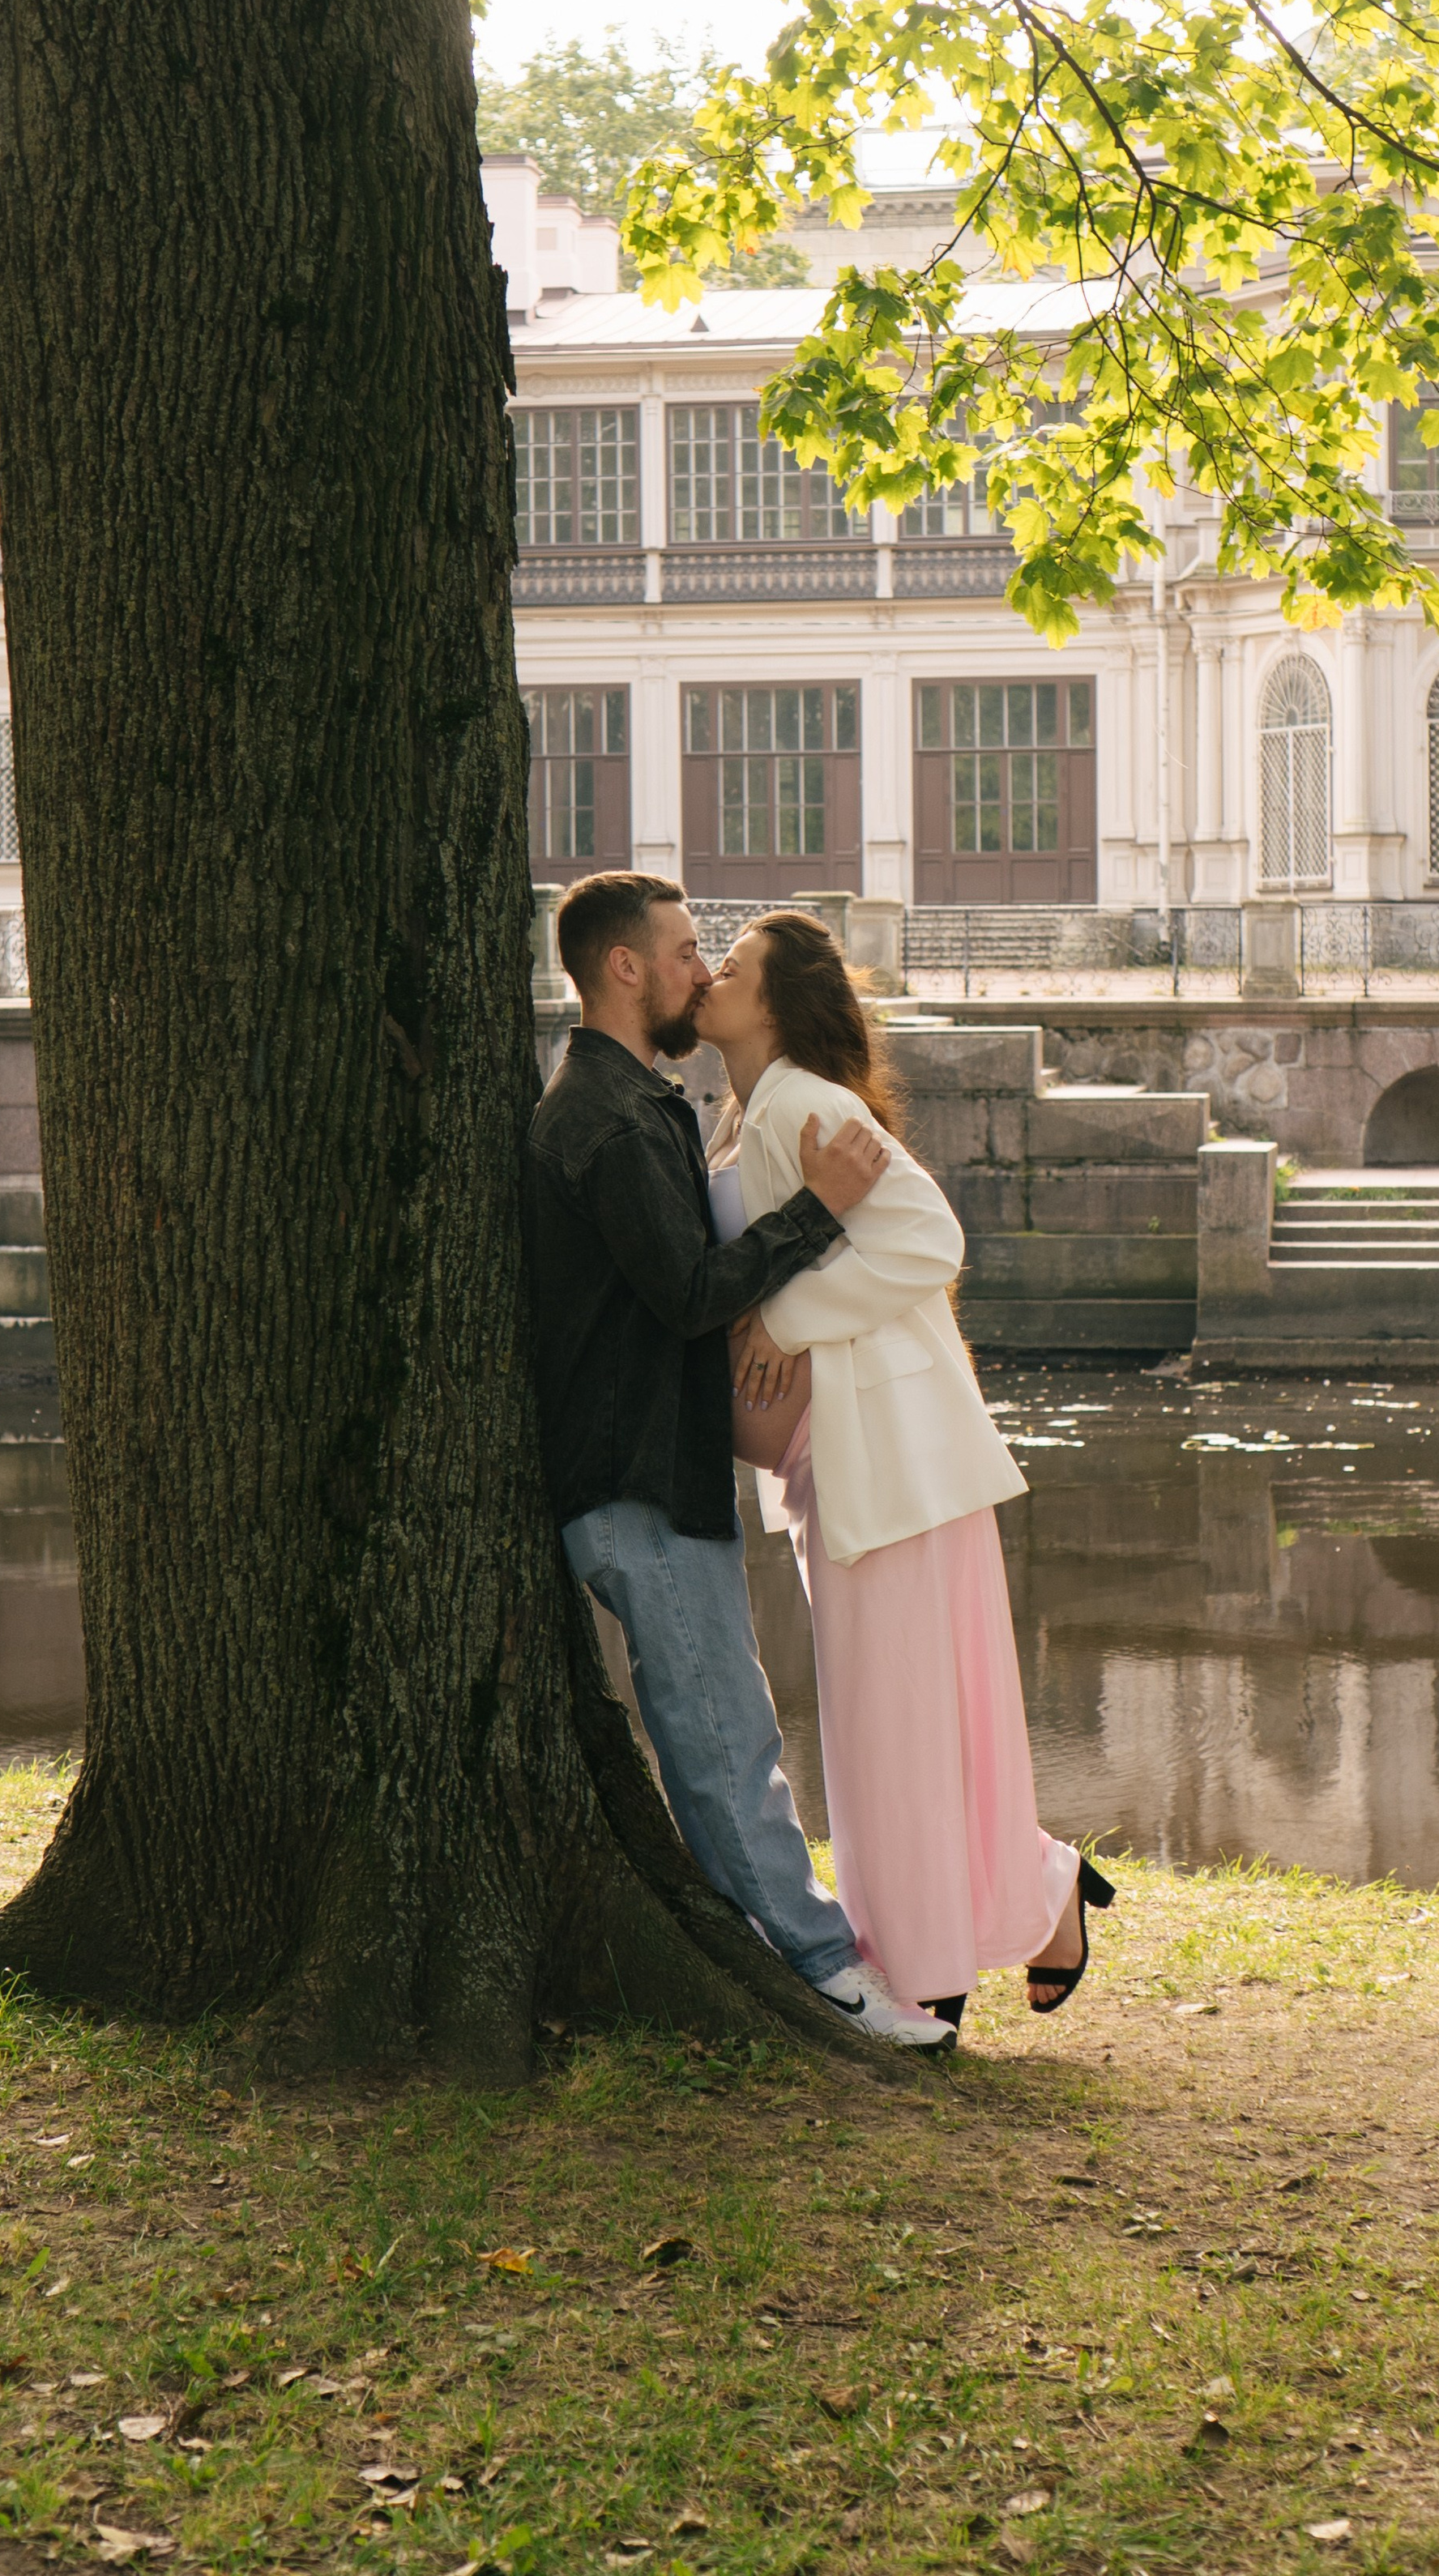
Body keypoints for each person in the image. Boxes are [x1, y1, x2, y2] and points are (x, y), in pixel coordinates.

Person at [527, 871, 953, 2049]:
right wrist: (817, 1211)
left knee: (721, 1726)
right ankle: (827, 1973)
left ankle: (766, 1951)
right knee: (726, 1737)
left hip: (650, 1471)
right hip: (631, 1480)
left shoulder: (635, 1103)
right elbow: (686, 1293)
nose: (697, 968)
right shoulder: (607, 1118)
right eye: (681, 951)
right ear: (624, 967)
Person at [699, 909, 1112, 2035]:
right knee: (901, 1722)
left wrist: (784, 1324)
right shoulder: (749, 1116)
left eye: (729, 966)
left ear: (778, 1004)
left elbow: (930, 1239)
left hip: (884, 1457)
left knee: (897, 1725)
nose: (709, 974)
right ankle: (1030, 1898)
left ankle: (928, 1967)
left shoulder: (806, 1104)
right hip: (843, 1464)